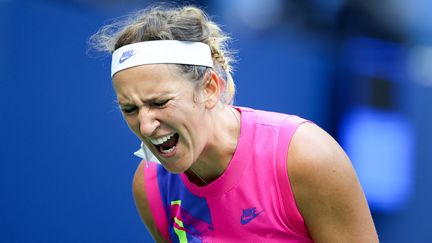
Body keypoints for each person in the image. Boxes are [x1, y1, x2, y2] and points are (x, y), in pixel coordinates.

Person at [90, 4, 379, 242]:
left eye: (160, 102)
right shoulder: (151, 184)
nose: (145, 125)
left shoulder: (306, 156)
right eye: (129, 109)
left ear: (210, 88)